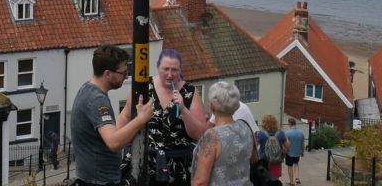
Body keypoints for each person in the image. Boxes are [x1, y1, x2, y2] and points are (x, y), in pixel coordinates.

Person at [71, 45, 155, 186]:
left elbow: (107, 133)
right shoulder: (97, 99)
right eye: (123, 73)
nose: (127, 76)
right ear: (108, 73)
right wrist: (141, 119)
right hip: (98, 182)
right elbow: (113, 142)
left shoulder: (87, 88)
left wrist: (128, 112)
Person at [126, 48, 208, 186]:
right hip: (146, 162)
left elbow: (199, 133)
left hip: (178, 165)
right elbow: (126, 116)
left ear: (180, 70)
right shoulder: (144, 87)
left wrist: (183, 109)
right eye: (166, 69)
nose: (170, 74)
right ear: (158, 67)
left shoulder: (190, 91)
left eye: (174, 70)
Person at [192, 81, 258, 186]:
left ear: (212, 106)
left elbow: (200, 181)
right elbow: (254, 159)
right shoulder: (245, 127)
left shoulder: (212, 136)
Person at [258, 114, 288, 182]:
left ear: (264, 123)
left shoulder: (261, 134)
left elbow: (254, 146)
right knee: (276, 179)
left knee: (264, 180)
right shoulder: (281, 133)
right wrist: (283, 154)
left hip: (264, 161)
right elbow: (288, 145)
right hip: (276, 160)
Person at [285, 118, 305, 185]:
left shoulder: (287, 133)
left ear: (290, 123)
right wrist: (302, 152)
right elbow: (302, 144)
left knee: (290, 166)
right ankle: (297, 178)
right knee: (296, 164)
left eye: (288, 123)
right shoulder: (301, 132)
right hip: (297, 153)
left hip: (289, 153)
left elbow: (286, 144)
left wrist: (284, 152)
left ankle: (291, 182)